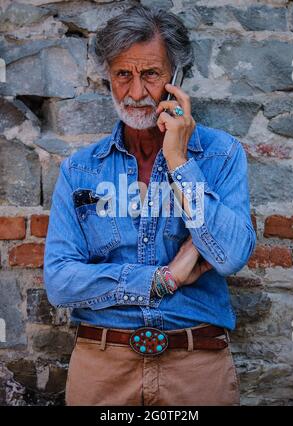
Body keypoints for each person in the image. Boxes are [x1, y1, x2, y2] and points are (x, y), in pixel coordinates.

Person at [44, 5, 256, 406]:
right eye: (124, 74)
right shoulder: (80, 169)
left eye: (151, 74)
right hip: (103, 366)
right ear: (107, 76)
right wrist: (164, 279)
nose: (136, 93)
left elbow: (228, 257)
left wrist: (179, 160)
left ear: (176, 78)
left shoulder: (221, 155)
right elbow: (59, 281)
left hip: (196, 362)